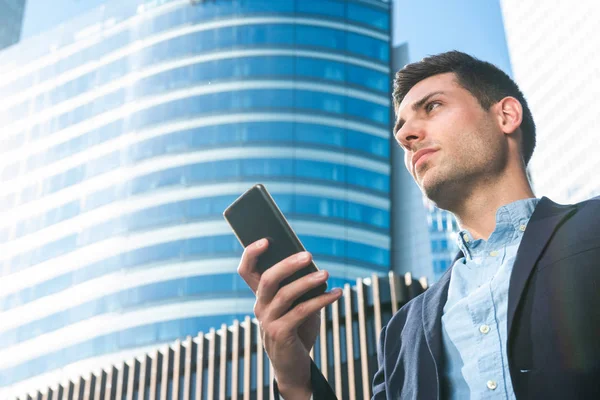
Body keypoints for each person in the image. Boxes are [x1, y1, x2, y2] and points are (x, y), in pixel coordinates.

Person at [237, 51, 600, 399]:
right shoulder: (400, 333)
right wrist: (294, 380)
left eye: (432, 106)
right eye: (401, 127)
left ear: (506, 115)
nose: (405, 135)